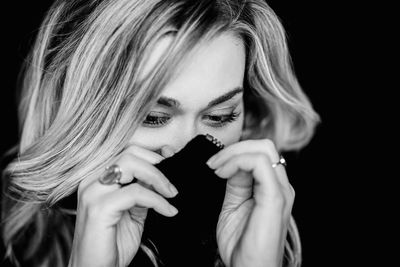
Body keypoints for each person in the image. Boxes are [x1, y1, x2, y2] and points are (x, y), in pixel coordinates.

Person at [0, 0, 320, 266]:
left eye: (220, 117)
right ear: (84, 118)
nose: (186, 148)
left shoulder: (273, 228)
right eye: (153, 117)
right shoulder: (18, 245)